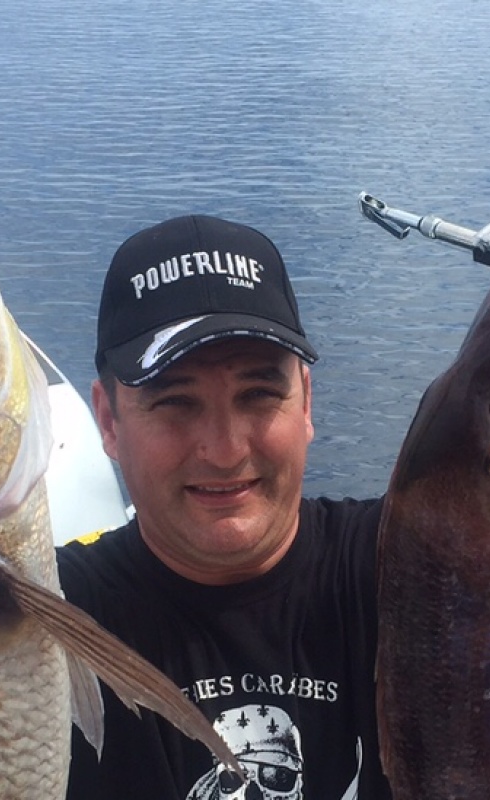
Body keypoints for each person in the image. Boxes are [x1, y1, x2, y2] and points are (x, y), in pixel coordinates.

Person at [57, 214, 391, 800]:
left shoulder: (413, 570)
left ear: (306, 401)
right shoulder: (50, 618)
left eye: (259, 394)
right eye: (176, 402)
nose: (225, 449)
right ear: (108, 422)